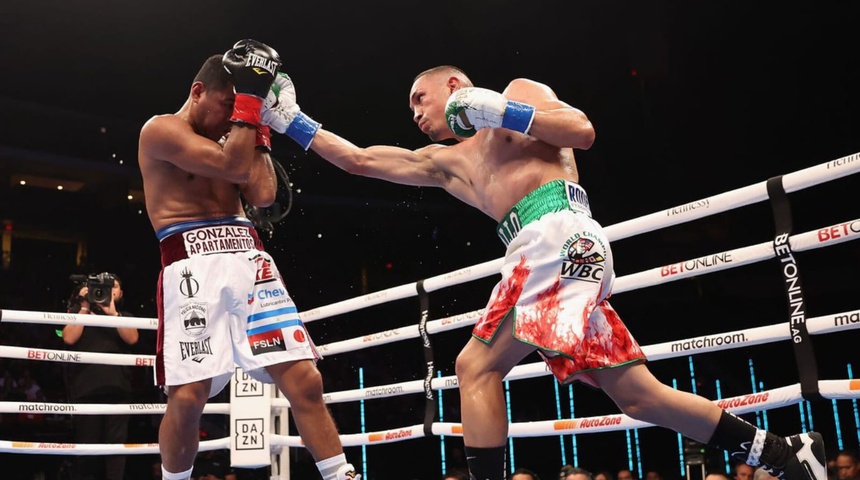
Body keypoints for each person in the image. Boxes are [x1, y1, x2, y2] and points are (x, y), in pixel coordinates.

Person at [259, 64, 827, 480]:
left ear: (455, 86)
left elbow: (581, 130)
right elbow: (360, 159)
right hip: (551, 256)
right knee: (637, 396)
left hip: (559, 237)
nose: (414, 111)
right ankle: (783, 452)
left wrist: (498, 110)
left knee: (474, 367)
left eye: (419, 97)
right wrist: (292, 122)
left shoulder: (517, 95)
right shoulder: (447, 163)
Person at [136, 39, 359, 480]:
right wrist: (251, 108)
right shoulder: (159, 130)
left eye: (238, 107)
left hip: (249, 257)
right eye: (225, 105)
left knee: (304, 379)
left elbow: (263, 194)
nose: (230, 116)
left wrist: (259, 124)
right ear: (197, 92)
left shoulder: (238, 130)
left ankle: (339, 474)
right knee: (189, 395)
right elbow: (232, 169)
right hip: (192, 265)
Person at [62, 272, 138, 480]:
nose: (107, 290)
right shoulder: (79, 313)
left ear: (120, 293)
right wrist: (84, 307)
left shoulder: (125, 317)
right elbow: (68, 338)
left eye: (113, 286)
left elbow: (132, 339)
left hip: (118, 391)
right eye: (103, 286)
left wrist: (112, 314)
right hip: (86, 391)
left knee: (116, 453)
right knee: (86, 452)